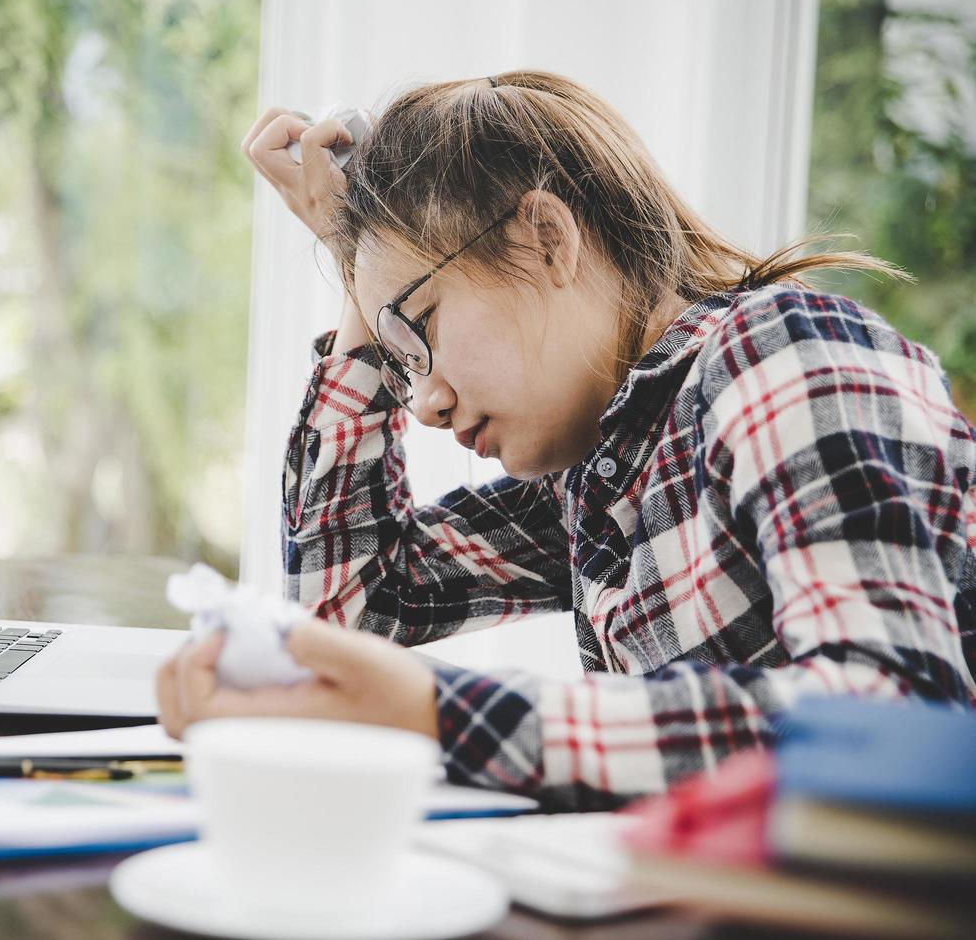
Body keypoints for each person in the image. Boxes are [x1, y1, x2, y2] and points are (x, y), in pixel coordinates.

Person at [155, 70, 976, 809]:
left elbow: (892, 722)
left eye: (422, 326)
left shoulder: (788, 357)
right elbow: (354, 617)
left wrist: (439, 713)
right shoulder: (597, 475)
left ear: (546, 237)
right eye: (402, 362)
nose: (426, 406)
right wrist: (357, 268)